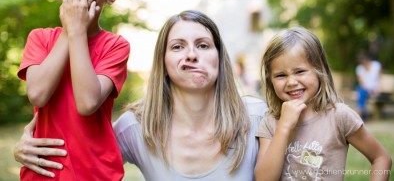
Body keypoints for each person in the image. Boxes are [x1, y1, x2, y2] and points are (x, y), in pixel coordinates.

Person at [14, 10, 268, 181]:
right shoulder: (136, 127)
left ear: (219, 58)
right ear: (164, 63)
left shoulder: (256, 117)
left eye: (203, 45)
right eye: (178, 46)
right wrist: (26, 149)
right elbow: (85, 157)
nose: (191, 54)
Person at [16, 0, 130, 180]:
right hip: (44, 172)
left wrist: (76, 29)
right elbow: (37, 94)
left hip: (96, 174)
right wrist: (69, 31)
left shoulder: (115, 46)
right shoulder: (40, 38)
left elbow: (87, 103)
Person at [254, 27, 392, 181]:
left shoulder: (339, 116)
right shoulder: (270, 123)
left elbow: (381, 158)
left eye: (300, 71)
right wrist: (284, 127)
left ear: (320, 71)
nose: (291, 82)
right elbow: (263, 179)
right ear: (270, 80)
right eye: (280, 75)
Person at [355, 51, 382, 120]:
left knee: (360, 93)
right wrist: (368, 89)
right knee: (361, 91)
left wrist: (378, 88)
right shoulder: (359, 69)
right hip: (366, 89)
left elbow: (380, 78)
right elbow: (361, 82)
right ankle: (363, 112)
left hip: (375, 89)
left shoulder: (376, 65)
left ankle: (363, 112)